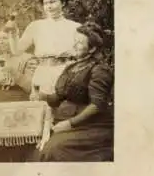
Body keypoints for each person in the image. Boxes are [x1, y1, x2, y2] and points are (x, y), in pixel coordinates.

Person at [32, 22, 114, 162]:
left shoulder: (99, 70)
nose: (75, 45)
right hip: (64, 120)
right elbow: (58, 97)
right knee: (34, 142)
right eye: (74, 41)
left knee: (53, 149)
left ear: (92, 48)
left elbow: (97, 105)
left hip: (90, 125)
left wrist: (70, 123)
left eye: (80, 43)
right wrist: (41, 96)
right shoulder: (71, 68)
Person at [5, 0, 81, 98]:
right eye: (46, 3)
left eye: (53, 2)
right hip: (43, 74)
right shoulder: (36, 26)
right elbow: (17, 51)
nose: (49, 6)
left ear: (63, 3)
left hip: (66, 73)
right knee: (41, 110)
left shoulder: (75, 27)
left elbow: (83, 55)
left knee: (65, 110)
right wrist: (13, 33)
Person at [0, 26, 33, 103]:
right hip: (0, 102)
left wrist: (16, 74)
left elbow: (30, 87)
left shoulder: (28, 58)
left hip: (21, 102)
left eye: (5, 38)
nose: (1, 42)